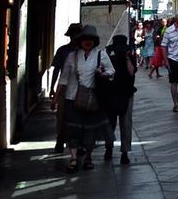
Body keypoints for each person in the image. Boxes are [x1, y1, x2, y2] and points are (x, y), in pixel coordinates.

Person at [56, 25, 114, 173]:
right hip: (72, 97)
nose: (87, 41)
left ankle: (88, 157)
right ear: (80, 41)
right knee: (73, 130)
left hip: (93, 99)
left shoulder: (101, 54)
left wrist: (103, 74)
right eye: (85, 39)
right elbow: (64, 79)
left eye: (91, 39)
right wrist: (56, 98)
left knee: (90, 131)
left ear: (95, 41)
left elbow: (111, 71)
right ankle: (74, 158)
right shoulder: (72, 56)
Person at [103, 34, 137, 165]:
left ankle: (125, 152)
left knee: (126, 124)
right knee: (109, 124)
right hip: (111, 94)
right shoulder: (109, 59)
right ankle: (109, 148)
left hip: (127, 94)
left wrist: (128, 58)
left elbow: (131, 72)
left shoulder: (130, 59)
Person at [49, 22, 81, 152]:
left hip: (81, 89)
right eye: (73, 34)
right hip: (64, 87)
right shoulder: (63, 50)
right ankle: (60, 140)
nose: (74, 37)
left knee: (79, 116)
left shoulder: (84, 51)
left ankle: (77, 143)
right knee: (62, 116)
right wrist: (52, 87)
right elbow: (56, 69)